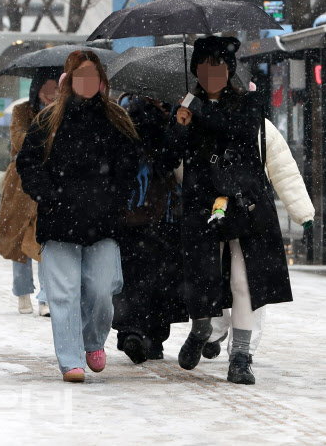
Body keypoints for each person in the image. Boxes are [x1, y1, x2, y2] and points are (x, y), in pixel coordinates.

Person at [165, 36, 314, 384]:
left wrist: (199, 111)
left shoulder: (248, 103)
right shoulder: (186, 108)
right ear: (195, 70)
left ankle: (241, 356)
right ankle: (201, 329)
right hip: (207, 205)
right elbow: (167, 159)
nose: (210, 73)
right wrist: (178, 127)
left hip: (244, 204)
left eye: (217, 66)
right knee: (203, 275)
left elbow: (240, 129)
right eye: (203, 67)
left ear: (229, 70)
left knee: (242, 280)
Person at [16, 50, 139, 382]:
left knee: (102, 289)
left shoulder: (117, 119)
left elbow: (129, 166)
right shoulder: (48, 120)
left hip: (103, 222)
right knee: (63, 292)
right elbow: (27, 164)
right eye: (80, 76)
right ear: (69, 81)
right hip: (59, 220)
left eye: (93, 76)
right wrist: (49, 195)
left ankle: (93, 340)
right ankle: (70, 359)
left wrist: (114, 199)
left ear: (101, 81)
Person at [202, 114, 314, 359]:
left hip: (252, 213)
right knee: (218, 277)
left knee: (249, 282)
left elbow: (283, 170)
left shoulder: (261, 127)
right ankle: (215, 331)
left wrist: (302, 211)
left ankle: (242, 351)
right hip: (217, 212)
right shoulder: (206, 122)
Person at [113, 94, 188, 364]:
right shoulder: (125, 112)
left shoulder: (176, 114)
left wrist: (177, 124)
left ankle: (151, 336)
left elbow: (171, 157)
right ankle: (133, 332)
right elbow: (134, 152)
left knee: (160, 275)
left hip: (163, 210)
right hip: (138, 209)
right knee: (135, 272)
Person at [0, 69, 59, 316]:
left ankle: (46, 297)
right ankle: (23, 292)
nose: (51, 94)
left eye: (56, 88)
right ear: (36, 88)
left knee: (45, 238)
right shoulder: (22, 111)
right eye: (46, 88)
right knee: (18, 237)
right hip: (20, 181)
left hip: (50, 180)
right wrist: (48, 136)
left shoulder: (64, 111)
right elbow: (19, 141)